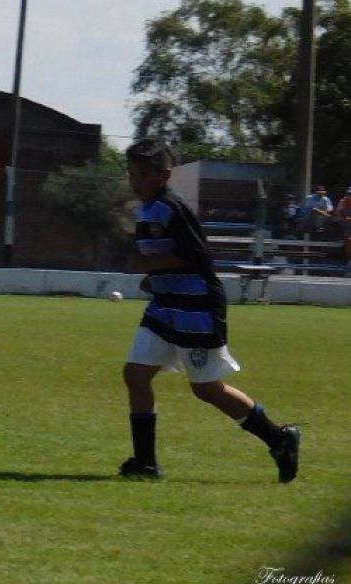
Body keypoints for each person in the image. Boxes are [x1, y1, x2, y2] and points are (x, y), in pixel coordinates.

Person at [120, 139, 299, 483]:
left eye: (143, 173)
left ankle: (280, 440)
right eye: (131, 173)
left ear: (165, 174)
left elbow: (197, 256)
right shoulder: (147, 208)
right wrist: (154, 277)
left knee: (206, 389)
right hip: (165, 305)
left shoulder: (171, 207)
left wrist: (150, 265)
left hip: (196, 308)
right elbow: (169, 259)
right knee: (135, 374)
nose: (135, 180)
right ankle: (145, 463)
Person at [333, 186, 351, 267]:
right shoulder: (342, 201)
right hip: (345, 225)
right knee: (349, 240)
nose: (350, 196)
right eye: (349, 194)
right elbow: (337, 216)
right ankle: (349, 261)